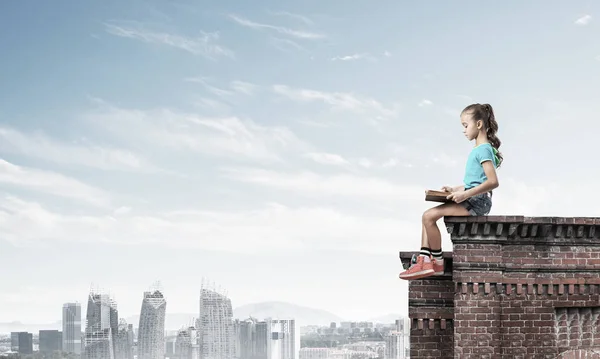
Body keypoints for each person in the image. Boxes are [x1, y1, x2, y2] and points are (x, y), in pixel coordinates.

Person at [398, 103, 503, 280]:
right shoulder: (478, 149)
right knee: (427, 215)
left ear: (478, 124)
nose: (463, 130)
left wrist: (465, 194)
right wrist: (454, 189)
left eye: (465, 125)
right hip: (473, 197)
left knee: (428, 217)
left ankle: (436, 262)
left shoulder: (483, 149)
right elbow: (475, 182)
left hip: (477, 201)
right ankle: (425, 259)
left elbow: (493, 182)